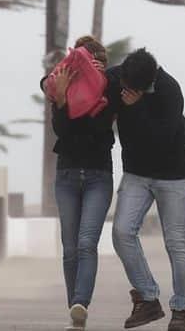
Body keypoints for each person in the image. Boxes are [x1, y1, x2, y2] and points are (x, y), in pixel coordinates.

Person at [107, 48, 185, 331]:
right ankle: (147, 299)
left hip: (173, 175)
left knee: (176, 242)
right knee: (121, 232)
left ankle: (183, 309)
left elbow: (161, 139)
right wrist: (50, 80)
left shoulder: (170, 90)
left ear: (148, 83)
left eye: (132, 90)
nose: (124, 90)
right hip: (136, 173)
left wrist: (137, 107)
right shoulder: (122, 75)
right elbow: (91, 81)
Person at [42, 36, 118, 331]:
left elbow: (98, 129)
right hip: (67, 175)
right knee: (70, 247)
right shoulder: (61, 88)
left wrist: (100, 84)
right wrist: (62, 97)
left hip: (99, 175)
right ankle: (75, 312)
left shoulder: (109, 92)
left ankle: (80, 304)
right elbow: (63, 131)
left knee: (87, 243)